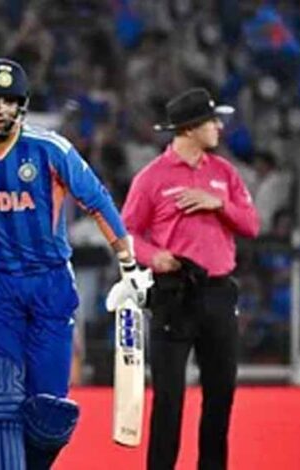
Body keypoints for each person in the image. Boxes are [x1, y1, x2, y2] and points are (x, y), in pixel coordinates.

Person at [0, 58, 151, 470]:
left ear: (22, 106)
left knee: (50, 412)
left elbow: (97, 200)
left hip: (50, 286)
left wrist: (128, 265)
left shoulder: (49, 149)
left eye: (9, 101)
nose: (0, 109)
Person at [121, 87, 260, 470]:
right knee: (169, 398)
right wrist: (153, 256)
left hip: (218, 292)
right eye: (211, 121)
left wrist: (220, 204)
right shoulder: (152, 178)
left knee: (221, 393)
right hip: (173, 293)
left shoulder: (225, 173)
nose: (219, 127)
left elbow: (251, 224)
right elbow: (125, 232)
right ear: (189, 129)